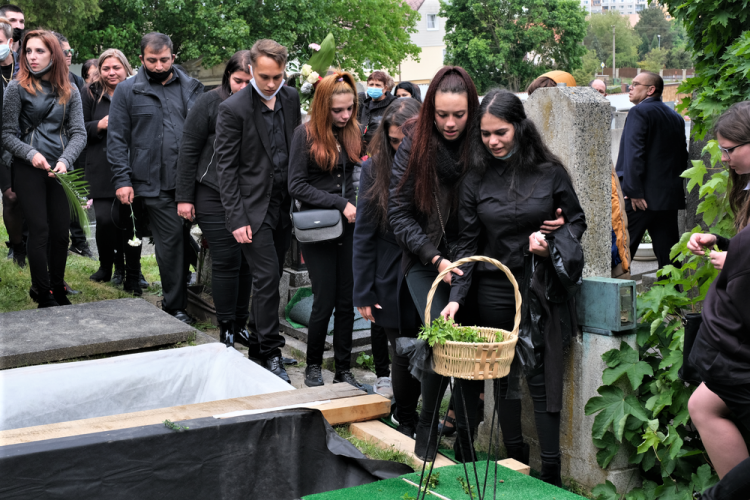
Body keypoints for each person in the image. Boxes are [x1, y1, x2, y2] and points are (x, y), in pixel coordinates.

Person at [440, 89, 587, 485]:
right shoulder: (475, 178)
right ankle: (515, 457)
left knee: (541, 378)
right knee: (503, 377)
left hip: (540, 287)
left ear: (520, 127)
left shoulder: (550, 172)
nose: (493, 142)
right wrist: (456, 299)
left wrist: (554, 240)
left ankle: (551, 473)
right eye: (485, 134)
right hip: (493, 290)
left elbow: (577, 222)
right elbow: (467, 246)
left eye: (500, 132)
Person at [387, 66, 481, 462]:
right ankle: (428, 422)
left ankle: (466, 435)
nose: (450, 123)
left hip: (475, 252)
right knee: (442, 334)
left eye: (458, 115)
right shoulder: (415, 144)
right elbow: (397, 212)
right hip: (426, 257)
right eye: (441, 114)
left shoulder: (482, 140)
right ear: (430, 111)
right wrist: (434, 255)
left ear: (471, 110)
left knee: (472, 347)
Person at [212, 42, 300, 382]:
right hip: (251, 208)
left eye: (277, 76)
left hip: (282, 205)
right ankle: (272, 352)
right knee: (265, 278)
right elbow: (226, 169)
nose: (270, 83)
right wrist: (236, 218)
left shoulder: (290, 98)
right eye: (264, 76)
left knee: (272, 277)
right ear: (250, 69)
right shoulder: (234, 109)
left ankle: (256, 340)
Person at [109, 32, 205, 324]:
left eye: (165, 59)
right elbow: (116, 139)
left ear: (173, 57)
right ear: (141, 59)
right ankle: (175, 306)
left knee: (189, 237)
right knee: (170, 240)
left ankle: (202, 290)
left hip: (194, 179)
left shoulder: (191, 87)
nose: (159, 65)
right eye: (152, 60)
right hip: (153, 181)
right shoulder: (127, 91)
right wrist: (122, 179)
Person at [685, 101, 750, 500]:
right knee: (703, 404)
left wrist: (737, 260)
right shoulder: (745, 182)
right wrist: (728, 247)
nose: (724, 159)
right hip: (730, 347)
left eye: (730, 150)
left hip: (737, 348)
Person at [288, 71, 365, 390]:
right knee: (324, 299)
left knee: (347, 299)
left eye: (350, 109)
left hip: (348, 227)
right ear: (322, 107)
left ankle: (344, 370)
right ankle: (314, 366)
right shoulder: (304, 134)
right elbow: (296, 184)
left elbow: (357, 175)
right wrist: (338, 203)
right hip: (318, 228)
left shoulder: (353, 130)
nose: (345, 115)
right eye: (338, 110)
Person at [1, 30, 86, 307]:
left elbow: (79, 133)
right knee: (39, 230)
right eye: (28, 51)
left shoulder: (70, 90)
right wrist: (31, 153)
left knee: (61, 233)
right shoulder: (16, 88)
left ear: (54, 54)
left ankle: (57, 286)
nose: (32, 57)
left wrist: (65, 160)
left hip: (60, 169)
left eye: (40, 51)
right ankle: (42, 291)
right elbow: (6, 135)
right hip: (28, 168)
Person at [353, 97, 422, 423]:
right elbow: (364, 232)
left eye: (405, 141)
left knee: (430, 350)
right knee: (402, 351)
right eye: (393, 141)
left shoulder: (433, 163)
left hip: (425, 267)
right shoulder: (373, 167)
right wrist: (363, 290)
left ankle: (419, 415)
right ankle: (405, 417)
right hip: (389, 272)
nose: (399, 148)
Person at [81, 49, 145, 295]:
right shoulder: (90, 94)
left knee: (128, 222)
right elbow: (78, 127)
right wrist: (100, 124)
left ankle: (132, 271)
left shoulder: (136, 90)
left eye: (116, 67)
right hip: (100, 166)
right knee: (106, 221)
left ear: (126, 68)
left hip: (131, 166)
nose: (111, 73)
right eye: (106, 68)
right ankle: (107, 265)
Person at [615, 71, 688, 269]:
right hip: (667, 201)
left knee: (619, 255)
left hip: (640, 200)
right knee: (669, 261)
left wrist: (633, 191)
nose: (630, 87)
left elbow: (634, 154)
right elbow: (682, 159)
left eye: (636, 84)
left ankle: (610, 298)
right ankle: (672, 297)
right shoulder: (677, 118)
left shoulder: (639, 112)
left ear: (650, 90)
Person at [51, 31, 92, 260]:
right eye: (64, 52)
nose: (68, 56)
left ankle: (79, 242)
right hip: (45, 153)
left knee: (76, 196)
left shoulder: (75, 83)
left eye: (70, 52)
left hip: (73, 149)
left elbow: (80, 124)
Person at [0, 15, 23, 266]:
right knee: (11, 196)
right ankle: (17, 246)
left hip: (24, 143)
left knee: (20, 198)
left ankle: (23, 245)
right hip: (1, 147)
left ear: (9, 41)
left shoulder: (25, 67)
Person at [357, 70, 397, 151]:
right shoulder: (364, 103)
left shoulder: (394, 104)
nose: (374, 87)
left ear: (385, 88)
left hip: (383, 149)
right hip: (364, 149)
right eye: (371, 84)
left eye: (378, 85)